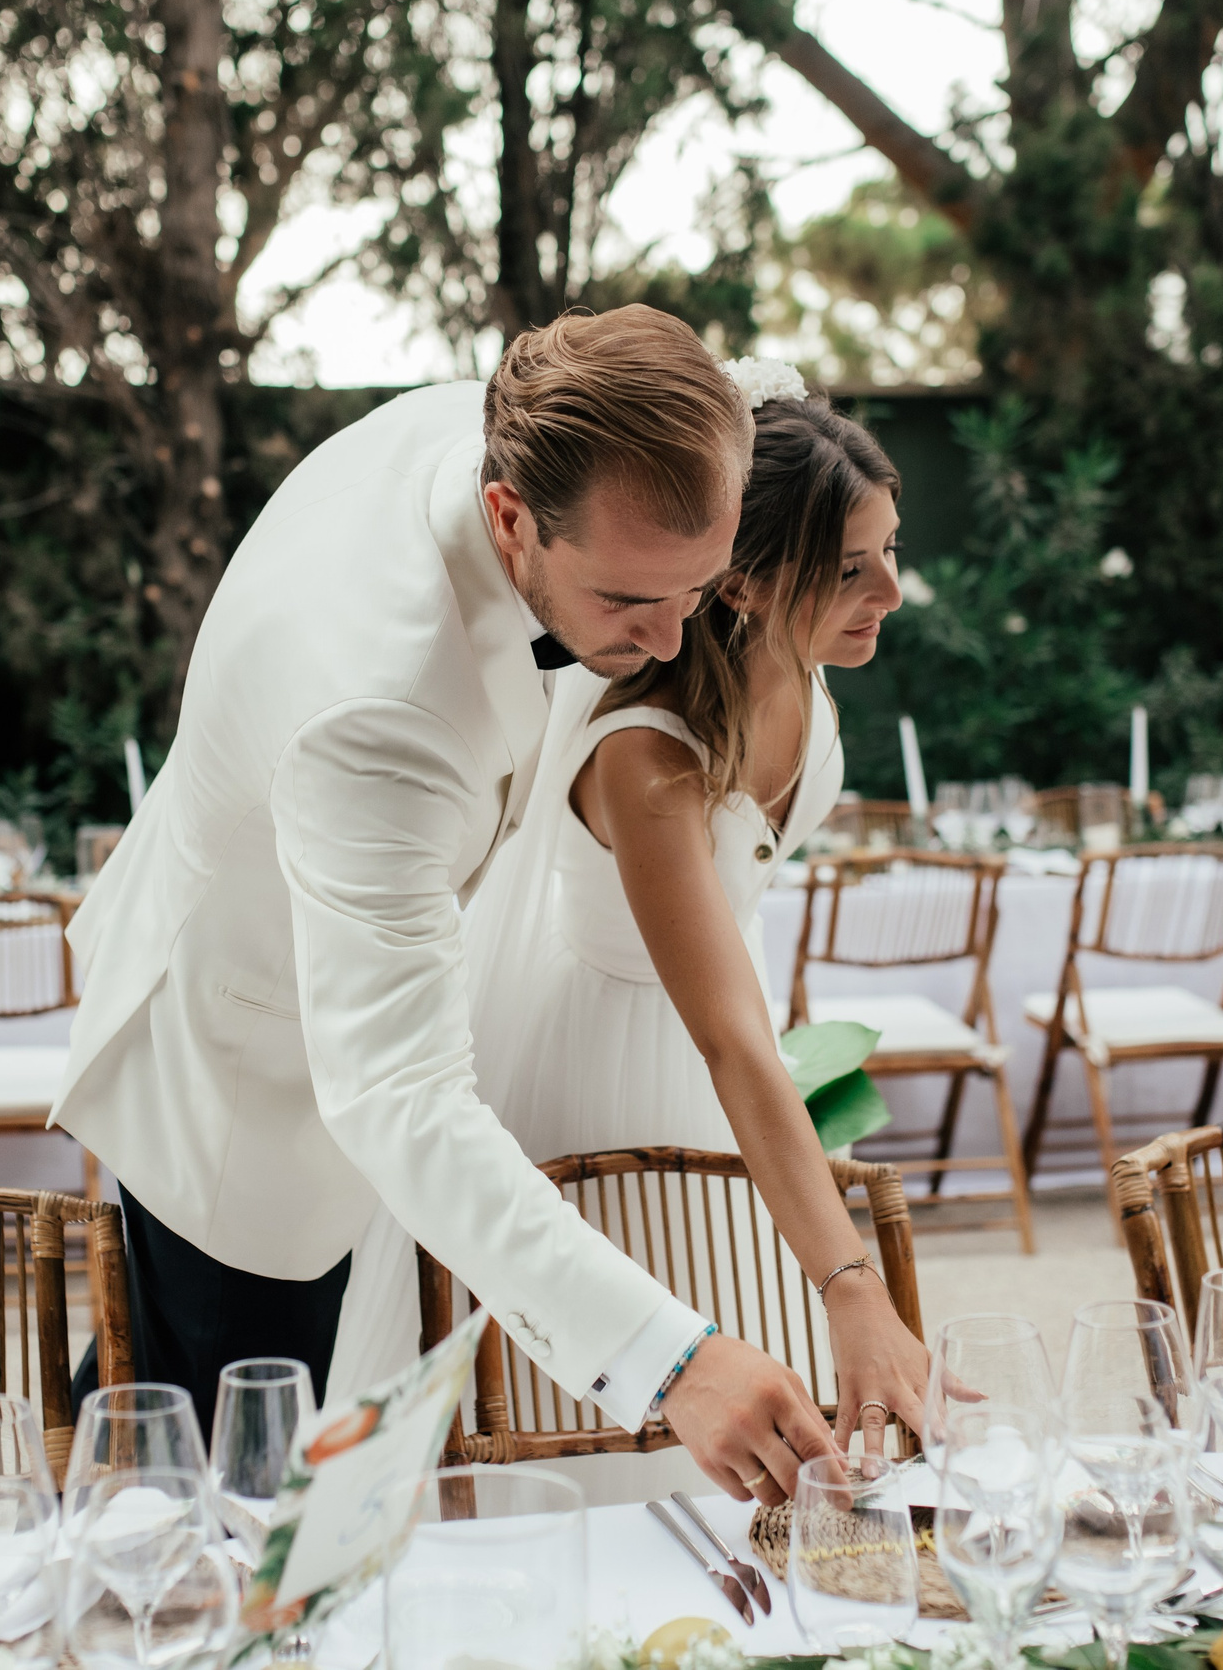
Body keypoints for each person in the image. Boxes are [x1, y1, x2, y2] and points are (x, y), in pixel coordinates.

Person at [52, 307, 841, 1505]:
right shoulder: (378, 707)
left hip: (394, 966)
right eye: (633, 598)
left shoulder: (538, 422)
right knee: (231, 1492)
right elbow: (400, 1097)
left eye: (701, 589)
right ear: (511, 518)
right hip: (246, 1076)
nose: (675, 637)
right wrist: (669, 1361)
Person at [329, 366, 932, 1466]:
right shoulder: (644, 756)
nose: (890, 590)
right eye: (849, 569)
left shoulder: (806, 669)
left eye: (890, 549)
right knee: (605, 1434)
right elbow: (730, 1038)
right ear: (740, 585)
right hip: (590, 1092)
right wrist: (849, 1282)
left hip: (717, 1070)